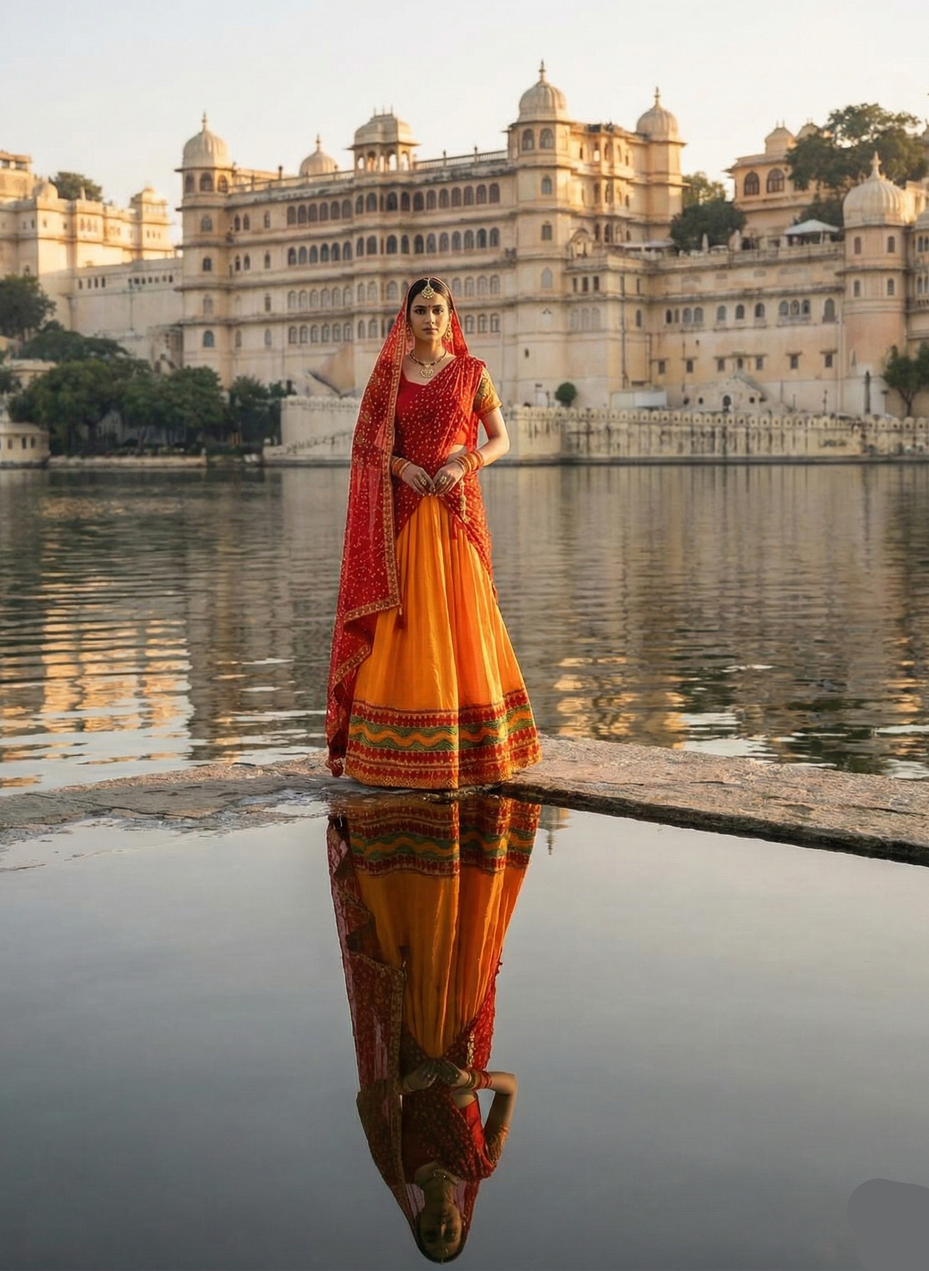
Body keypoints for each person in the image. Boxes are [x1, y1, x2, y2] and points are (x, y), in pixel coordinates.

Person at [326, 277, 541, 788]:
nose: (430, 319)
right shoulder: (388, 377)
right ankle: (393, 751)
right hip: (403, 515)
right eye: (420, 310)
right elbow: (366, 449)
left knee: (463, 618)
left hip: (454, 514)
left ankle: (475, 748)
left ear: (451, 315)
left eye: (438, 310)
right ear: (407, 316)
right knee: (406, 622)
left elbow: (501, 440)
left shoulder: (472, 372)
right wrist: (400, 468)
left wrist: (466, 462)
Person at [327, 796, 539, 1261]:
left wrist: (404, 1083)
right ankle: (481, 815)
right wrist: (472, 1081)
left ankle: (396, 819)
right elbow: (510, 1089)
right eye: (450, 1234)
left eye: (430, 1234)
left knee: (416, 930)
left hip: (413, 1033)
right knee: (470, 925)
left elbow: (367, 1102)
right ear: (463, 1222)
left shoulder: (395, 1163)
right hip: (466, 1024)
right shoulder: (480, 1164)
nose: (441, 1227)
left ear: (418, 1222)